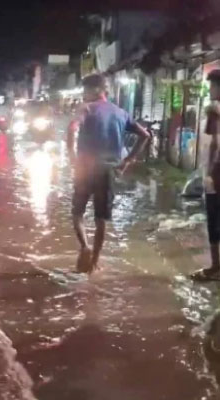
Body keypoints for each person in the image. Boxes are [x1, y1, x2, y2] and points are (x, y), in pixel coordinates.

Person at [67, 74, 151, 273]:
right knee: (101, 219)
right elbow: (145, 135)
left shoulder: (86, 108)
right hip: (109, 171)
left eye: (86, 90)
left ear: (97, 90)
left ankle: (85, 247)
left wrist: (72, 158)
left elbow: (72, 129)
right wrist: (127, 161)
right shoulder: (121, 112)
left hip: (86, 169)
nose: (84, 94)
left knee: (77, 212)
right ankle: (94, 262)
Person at [192, 70, 220, 280]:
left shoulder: (214, 111)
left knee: (214, 218)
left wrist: (210, 173)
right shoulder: (213, 111)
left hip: (216, 175)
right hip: (214, 173)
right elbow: (212, 145)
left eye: (212, 86)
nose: (209, 90)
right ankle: (215, 266)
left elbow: (214, 145)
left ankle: (215, 266)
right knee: (213, 218)